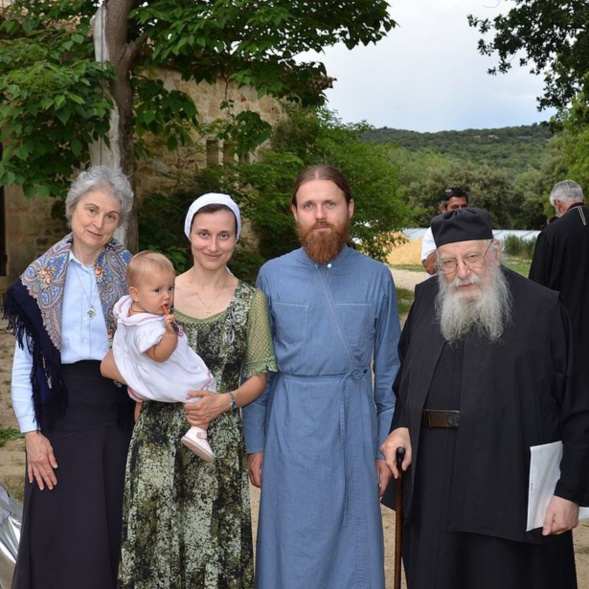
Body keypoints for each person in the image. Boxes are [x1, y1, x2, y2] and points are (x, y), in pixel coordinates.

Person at [381, 207, 589, 589]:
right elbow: (404, 385)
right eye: (448, 262)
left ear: (494, 251)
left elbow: (579, 406)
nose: (462, 272)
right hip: (432, 479)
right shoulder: (427, 300)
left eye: (472, 257)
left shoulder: (542, 308)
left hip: (508, 480)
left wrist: (569, 492)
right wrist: (401, 429)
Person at [243, 164, 401, 588]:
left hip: (353, 427)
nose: (320, 214)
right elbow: (259, 367)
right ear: (295, 212)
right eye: (309, 205)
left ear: (348, 208)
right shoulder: (272, 275)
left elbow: (388, 373)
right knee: (291, 539)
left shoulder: (376, 277)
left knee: (355, 544)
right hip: (289, 427)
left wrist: (385, 446)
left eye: (329, 203)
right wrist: (255, 443)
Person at [110, 193, 277, 588]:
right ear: (189, 235)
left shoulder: (251, 301)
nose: (213, 245)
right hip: (156, 441)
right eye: (204, 234)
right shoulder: (158, 293)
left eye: (224, 235)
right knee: (156, 543)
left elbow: (259, 376)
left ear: (236, 239)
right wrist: (143, 389)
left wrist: (226, 401)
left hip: (214, 441)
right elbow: (117, 358)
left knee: (212, 545)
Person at [4, 166, 135, 589]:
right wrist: (31, 434)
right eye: (91, 210)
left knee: (111, 526)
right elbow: (24, 368)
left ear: (119, 222)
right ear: (72, 209)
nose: (98, 223)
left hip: (118, 413)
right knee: (61, 532)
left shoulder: (131, 273)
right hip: (59, 417)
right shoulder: (38, 279)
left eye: (110, 216)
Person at [105, 250, 217, 462]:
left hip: (142, 376)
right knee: (200, 389)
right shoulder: (146, 328)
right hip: (158, 370)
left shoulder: (132, 312)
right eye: (157, 290)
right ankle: (198, 431)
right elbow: (159, 355)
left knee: (141, 402)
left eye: (170, 288)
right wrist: (169, 334)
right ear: (135, 294)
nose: (166, 296)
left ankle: (142, 432)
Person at [529, 180, 589, 358]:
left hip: (567, 326)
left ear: (557, 203)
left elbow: (537, 285)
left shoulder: (552, 233)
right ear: (582, 199)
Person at [421, 187, 469, 275]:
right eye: (455, 207)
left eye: (464, 206)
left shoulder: (476, 229)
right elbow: (430, 268)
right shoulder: (432, 232)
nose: (460, 211)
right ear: (443, 209)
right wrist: (447, 238)